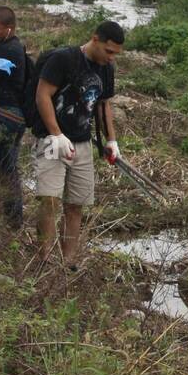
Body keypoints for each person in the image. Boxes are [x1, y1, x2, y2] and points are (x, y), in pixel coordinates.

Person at [32, 20, 124, 268]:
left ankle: (68, 260)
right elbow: (42, 95)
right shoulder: (64, 59)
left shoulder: (107, 68)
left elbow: (103, 104)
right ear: (95, 39)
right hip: (53, 140)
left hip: (82, 143)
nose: (112, 57)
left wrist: (111, 140)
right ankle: (45, 259)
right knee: (49, 199)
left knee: (75, 205)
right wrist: (56, 133)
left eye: (116, 53)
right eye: (109, 51)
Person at [0, 6, 27, 228]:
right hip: (13, 118)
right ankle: (13, 220)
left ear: (9, 28)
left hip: (7, 117)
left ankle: (12, 220)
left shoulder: (8, 51)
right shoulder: (7, 46)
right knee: (7, 167)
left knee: (7, 167)